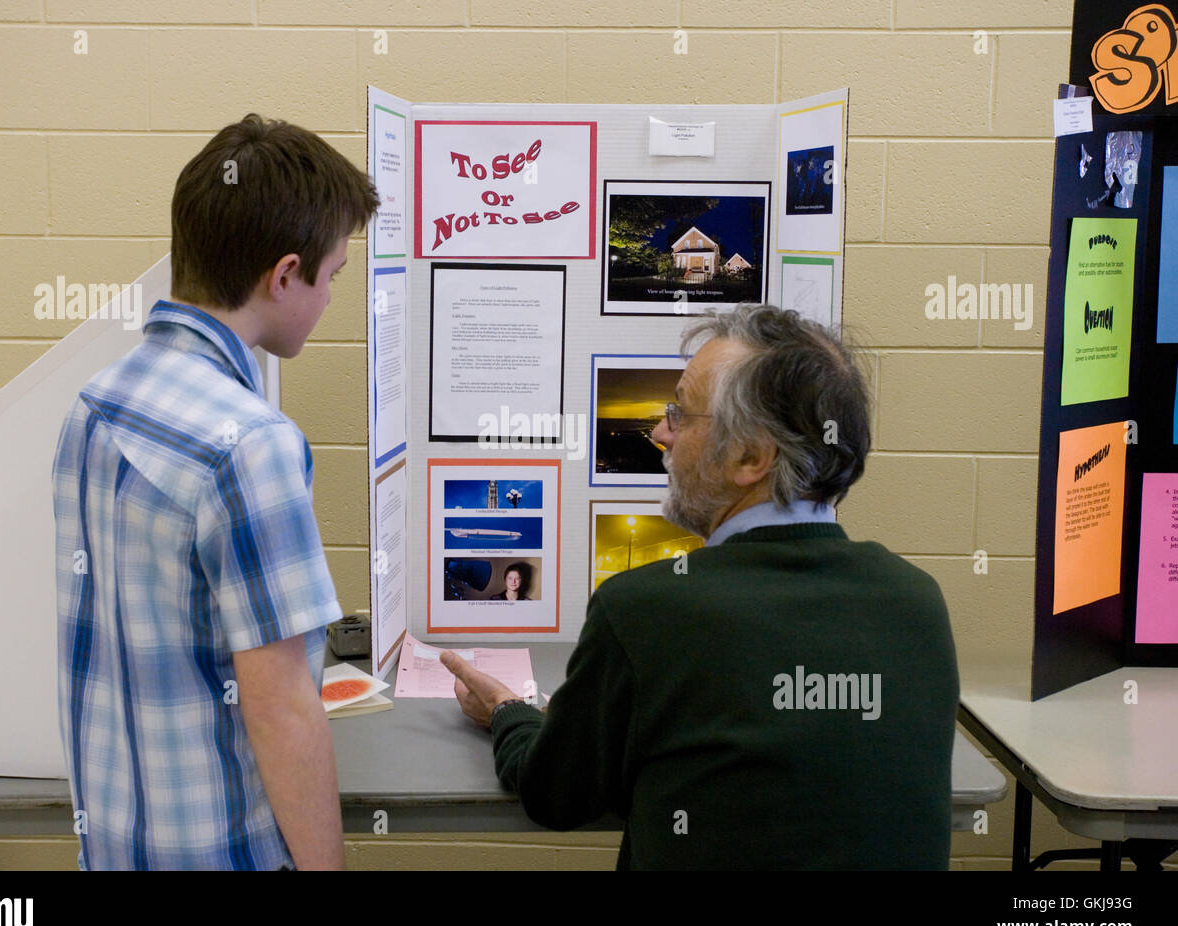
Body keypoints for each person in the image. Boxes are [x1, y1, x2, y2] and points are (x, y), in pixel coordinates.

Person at [441, 304, 959, 869]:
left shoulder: (645, 610)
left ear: (750, 457)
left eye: (680, 414)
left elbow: (555, 795)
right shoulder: (917, 601)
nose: (660, 433)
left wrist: (506, 711)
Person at [51, 114, 378, 870]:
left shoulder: (95, 404)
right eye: (330, 275)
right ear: (284, 273)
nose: (331, 297)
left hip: (118, 845)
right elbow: (283, 707)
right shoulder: (252, 445)